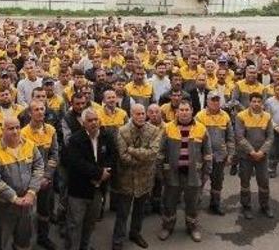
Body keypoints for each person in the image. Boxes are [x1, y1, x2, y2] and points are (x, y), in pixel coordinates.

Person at [0, 116, 45, 250]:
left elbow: (39, 167)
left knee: (24, 239)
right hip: (3, 206)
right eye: (10, 128)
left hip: (27, 202)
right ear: (3, 130)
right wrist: (14, 198)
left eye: (17, 127)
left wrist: (31, 192)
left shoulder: (30, 145)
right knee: (1, 240)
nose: (15, 131)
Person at [62, 107, 117, 250]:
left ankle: (84, 247)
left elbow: (113, 157)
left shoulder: (107, 136)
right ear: (83, 123)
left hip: (98, 190)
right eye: (90, 120)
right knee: (74, 224)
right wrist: (98, 174)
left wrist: (106, 173)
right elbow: (76, 163)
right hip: (79, 191)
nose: (94, 123)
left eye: (96, 119)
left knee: (90, 223)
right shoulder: (75, 140)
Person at [157, 100, 211, 243]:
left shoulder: (201, 128)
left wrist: (206, 172)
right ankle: (167, 226)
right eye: (181, 110)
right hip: (172, 174)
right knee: (169, 202)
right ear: (177, 112)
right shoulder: (168, 128)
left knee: (192, 203)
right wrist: (160, 171)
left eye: (187, 110)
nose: (184, 112)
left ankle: (192, 227)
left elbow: (207, 153)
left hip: (194, 174)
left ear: (192, 111)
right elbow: (161, 152)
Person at [112, 103, 160, 250]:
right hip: (126, 179)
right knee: (123, 212)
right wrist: (142, 158)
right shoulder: (122, 131)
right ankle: (117, 240)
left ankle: (135, 233)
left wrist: (132, 150)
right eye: (137, 114)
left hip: (145, 178)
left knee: (140, 210)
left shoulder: (154, 130)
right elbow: (123, 156)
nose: (141, 116)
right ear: (131, 115)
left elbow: (153, 153)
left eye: (143, 113)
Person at [19, 100, 59, 250]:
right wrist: (36, 180)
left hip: (46, 180)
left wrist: (47, 176)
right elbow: (23, 161)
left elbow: (54, 155)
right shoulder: (23, 133)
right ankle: (24, 243)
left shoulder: (51, 130)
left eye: (42, 109)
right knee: (27, 213)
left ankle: (43, 237)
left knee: (44, 211)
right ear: (30, 113)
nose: (40, 112)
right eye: (36, 109)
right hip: (29, 181)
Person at [235, 92, 274, 219]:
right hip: (246, 156)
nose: (256, 104)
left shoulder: (267, 116)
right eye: (254, 101)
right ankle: (246, 206)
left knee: (264, 182)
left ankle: (265, 205)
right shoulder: (241, 116)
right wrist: (251, 151)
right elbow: (239, 137)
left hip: (262, 156)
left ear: (262, 103)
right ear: (249, 102)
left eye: (258, 101)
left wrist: (262, 152)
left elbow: (270, 137)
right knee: (245, 182)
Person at [195, 94, 234, 215]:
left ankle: (215, 205)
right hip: (203, 157)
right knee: (199, 181)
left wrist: (230, 154)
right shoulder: (200, 116)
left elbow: (230, 138)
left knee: (217, 182)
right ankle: (194, 205)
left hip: (220, 156)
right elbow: (195, 137)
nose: (215, 102)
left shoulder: (225, 116)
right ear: (207, 101)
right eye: (213, 100)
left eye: (217, 100)